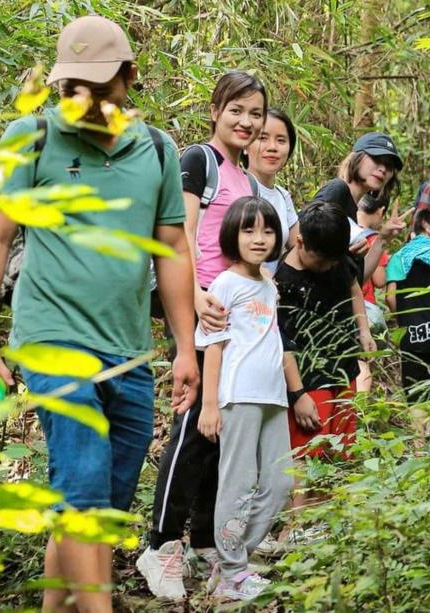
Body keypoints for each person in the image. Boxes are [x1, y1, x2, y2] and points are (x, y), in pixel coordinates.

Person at [0, 16, 199, 613]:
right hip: (51, 338)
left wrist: (185, 348)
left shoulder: (159, 150)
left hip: (130, 351)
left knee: (95, 504)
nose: (81, 102)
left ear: (129, 78)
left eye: (96, 87)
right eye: (70, 89)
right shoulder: (30, 137)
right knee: (83, 482)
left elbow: (172, 252)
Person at [139, 70, 267, 601]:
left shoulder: (250, 179)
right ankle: (160, 543)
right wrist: (191, 299)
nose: (246, 121)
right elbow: (180, 236)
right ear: (215, 109)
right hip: (200, 310)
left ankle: (207, 543)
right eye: (236, 109)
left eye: (255, 113)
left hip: (236, 315)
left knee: (224, 432)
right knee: (194, 423)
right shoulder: (201, 161)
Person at [194, 197, 294, 601]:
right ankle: (233, 572)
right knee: (237, 484)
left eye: (268, 230)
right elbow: (214, 346)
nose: (259, 238)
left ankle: (232, 562)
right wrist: (209, 404)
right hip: (238, 395)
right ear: (232, 235)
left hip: (273, 396)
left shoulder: (268, 283)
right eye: (249, 230)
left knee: (280, 482)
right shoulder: (225, 283)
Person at [275, 200, 371, 481]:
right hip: (309, 382)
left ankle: (328, 522)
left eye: (334, 260)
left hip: (344, 372)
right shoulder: (282, 282)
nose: (329, 266)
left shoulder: (337, 258)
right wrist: (298, 395)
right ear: (300, 241)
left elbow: (354, 286)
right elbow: (284, 344)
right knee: (309, 456)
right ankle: (302, 523)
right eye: (322, 260)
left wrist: (363, 329)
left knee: (340, 455)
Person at [313, 132, 407, 287]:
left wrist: (382, 240)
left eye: (389, 166)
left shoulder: (352, 212)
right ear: (356, 158)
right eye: (376, 159)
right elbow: (303, 244)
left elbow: (357, 280)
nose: (383, 169)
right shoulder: (337, 190)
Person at [385, 207, 430, 412]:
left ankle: (419, 441)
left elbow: (391, 298)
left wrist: (404, 319)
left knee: (417, 392)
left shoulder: (399, 257)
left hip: (412, 334)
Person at [245, 108, 299, 274]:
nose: (272, 147)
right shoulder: (235, 187)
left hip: (269, 295)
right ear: (245, 146)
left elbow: (299, 247)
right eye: (262, 138)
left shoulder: (282, 196)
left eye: (281, 140)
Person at [353, 193, 389, 392]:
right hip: (366, 310)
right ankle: (362, 415)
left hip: (342, 308)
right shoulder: (374, 239)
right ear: (380, 211)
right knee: (363, 363)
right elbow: (379, 280)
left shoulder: (346, 232)